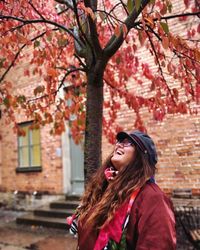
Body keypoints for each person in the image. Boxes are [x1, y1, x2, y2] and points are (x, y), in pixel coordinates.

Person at [67, 130, 176, 250]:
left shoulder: (152, 197)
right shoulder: (104, 189)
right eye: (119, 141)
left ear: (141, 156)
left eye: (128, 143)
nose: (119, 144)